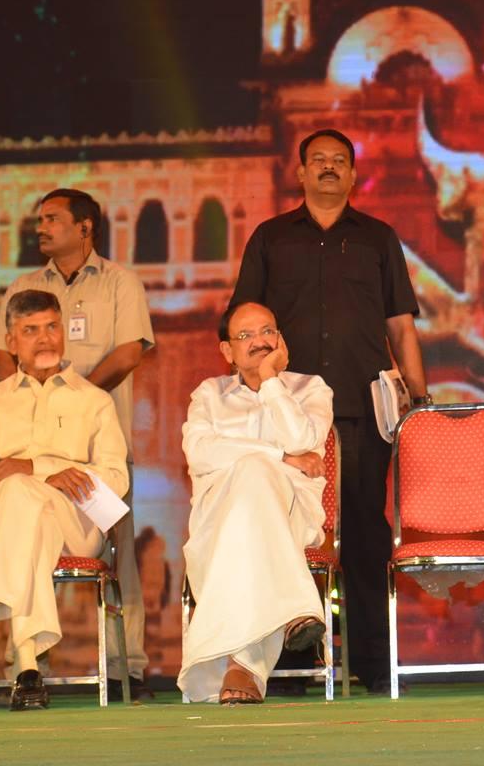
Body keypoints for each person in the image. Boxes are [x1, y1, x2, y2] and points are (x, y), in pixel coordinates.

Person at [229, 128, 427, 694]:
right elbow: (244, 319)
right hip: (286, 410)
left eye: (339, 160)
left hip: (362, 409)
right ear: (300, 172)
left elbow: (400, 326)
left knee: (363, 531)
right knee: (288, 531)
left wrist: (419, 397)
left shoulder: (378, 239)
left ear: (353, 174)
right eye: (318, 160)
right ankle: (289, 667)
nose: (329, 168)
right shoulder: (270, 238)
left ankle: (373, 663)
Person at [0, 188, 155, 698]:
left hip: (98, 454)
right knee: (26, 533)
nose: (41, 227)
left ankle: (127, 666)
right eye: (40, 219)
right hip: (30, 458)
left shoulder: (120, 283)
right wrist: (25, 402)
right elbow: (3, 354)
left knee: (120, 550)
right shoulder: (25, 286)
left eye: (52, 219)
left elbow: (128, 353)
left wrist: (75, 398)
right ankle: (25, 665)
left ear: (85, 227)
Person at [0, 289, 129, 711]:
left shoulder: (94, 400)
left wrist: (32, 468)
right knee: (26, 508)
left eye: (52, 327)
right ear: (11, 341)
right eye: (31, 330)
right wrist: (48, 474)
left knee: (21, 488)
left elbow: (116, 480)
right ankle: (28, 669)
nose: (45, 338)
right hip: (4, 526)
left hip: (77, 526)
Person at [179, 301, 334, 704]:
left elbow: (303, 439)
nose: (259, 342)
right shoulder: (209, 394)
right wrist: (279, 456)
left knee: (253, 474)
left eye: (268, 331)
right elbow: (200, 453)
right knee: (251, 478)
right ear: (227, 351)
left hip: (292, 515)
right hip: (219, 517)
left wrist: (270, 381)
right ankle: (295, 610)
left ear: (281, 338)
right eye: (245, 335)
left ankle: (240, 666)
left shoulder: (311, 388)